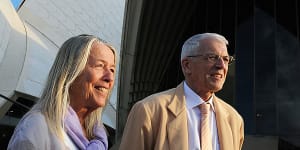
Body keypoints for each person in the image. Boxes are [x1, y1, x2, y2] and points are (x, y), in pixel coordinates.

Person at [119, 33, 244, 150]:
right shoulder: (149, 111)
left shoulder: (234, 120)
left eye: (226, 59)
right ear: (187, 65)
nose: (221, 65)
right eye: (212, 57)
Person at [8, 34, 117, 150]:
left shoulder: (98, 138)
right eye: (100, 66)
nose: (109, 78)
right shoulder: (37, 126)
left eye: (112, 69)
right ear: (71, 71)